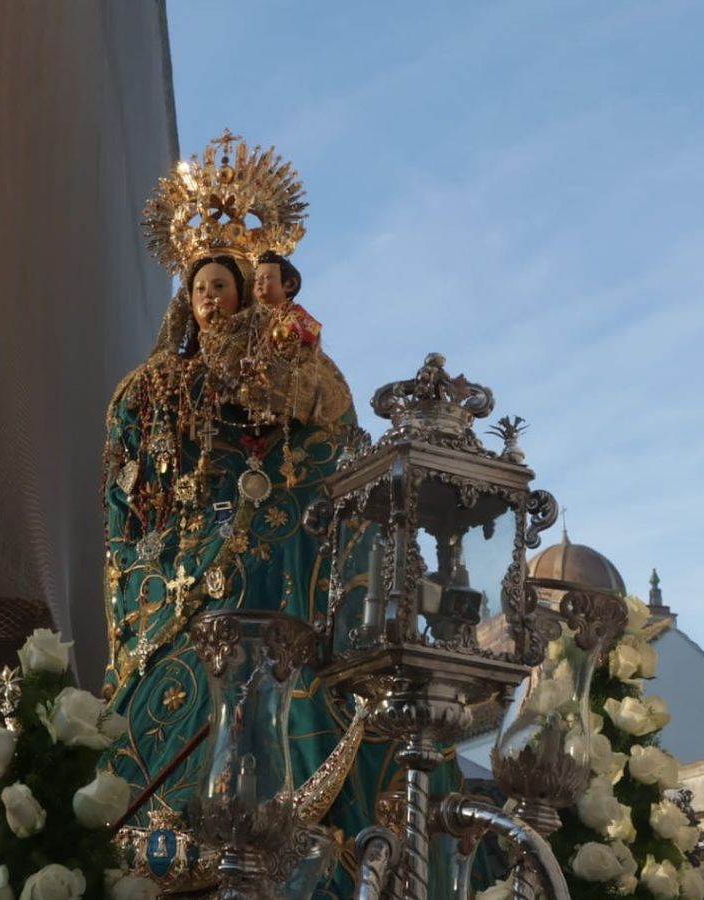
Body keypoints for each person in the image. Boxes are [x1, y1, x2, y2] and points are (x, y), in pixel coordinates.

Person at [103, 132, 457, 896]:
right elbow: (132, 504)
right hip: (189, 560)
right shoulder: (155, 387)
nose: (211, 294)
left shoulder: (293, 360)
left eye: (224, 282)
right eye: (199, 283)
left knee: (294, 596)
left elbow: (327, 438)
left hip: (284, 545)